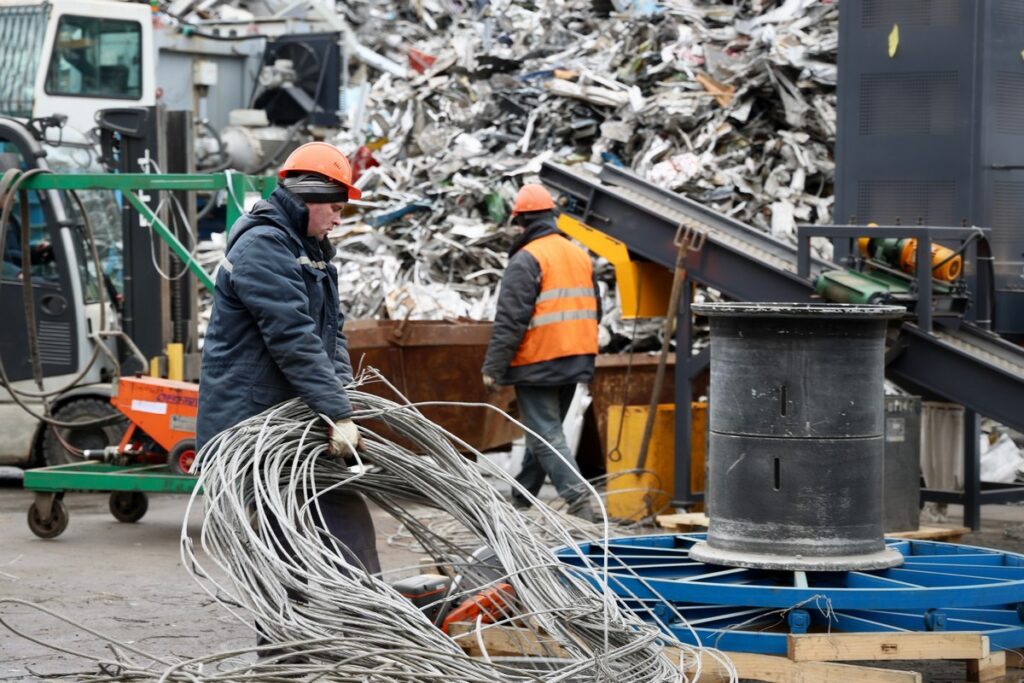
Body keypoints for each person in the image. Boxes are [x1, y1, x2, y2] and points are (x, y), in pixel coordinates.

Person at [197, 142, 381, 582]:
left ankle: (366, 623)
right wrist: (335, 413)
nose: (338, 219)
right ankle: (287, 644)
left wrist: (342, 407)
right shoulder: (262, 246)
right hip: (253, 423)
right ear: (307, 198)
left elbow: (330, 333)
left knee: (346, 518)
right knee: (285, 537)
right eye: (335, 208)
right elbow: (293, 338)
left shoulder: (312, 249)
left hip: (291, 415)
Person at [482, 184, 600, 520]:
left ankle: (580, 503)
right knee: (544, 431)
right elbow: (597, 309)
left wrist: (493, 367)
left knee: (546, 434)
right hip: (576, 356)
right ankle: (522, 497)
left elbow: (510, 320)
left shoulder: (527, 258)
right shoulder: (578, 253)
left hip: (539, 360)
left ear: (520, 221)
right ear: (552, 216)